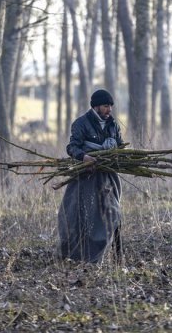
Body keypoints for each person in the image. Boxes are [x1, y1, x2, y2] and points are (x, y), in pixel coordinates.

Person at [57, 89, 124, 263]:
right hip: (86, 177)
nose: (109, 109)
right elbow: (72, 147)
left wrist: (117, 153)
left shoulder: (113, 124)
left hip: (108, 177)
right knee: (77, 215)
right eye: (105, 106)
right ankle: (76, 255)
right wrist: (84, 157)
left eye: (110, 106)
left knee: (111, 213)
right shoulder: (81, 123)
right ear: (96, 107)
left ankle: (107, 256)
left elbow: (121, 146)